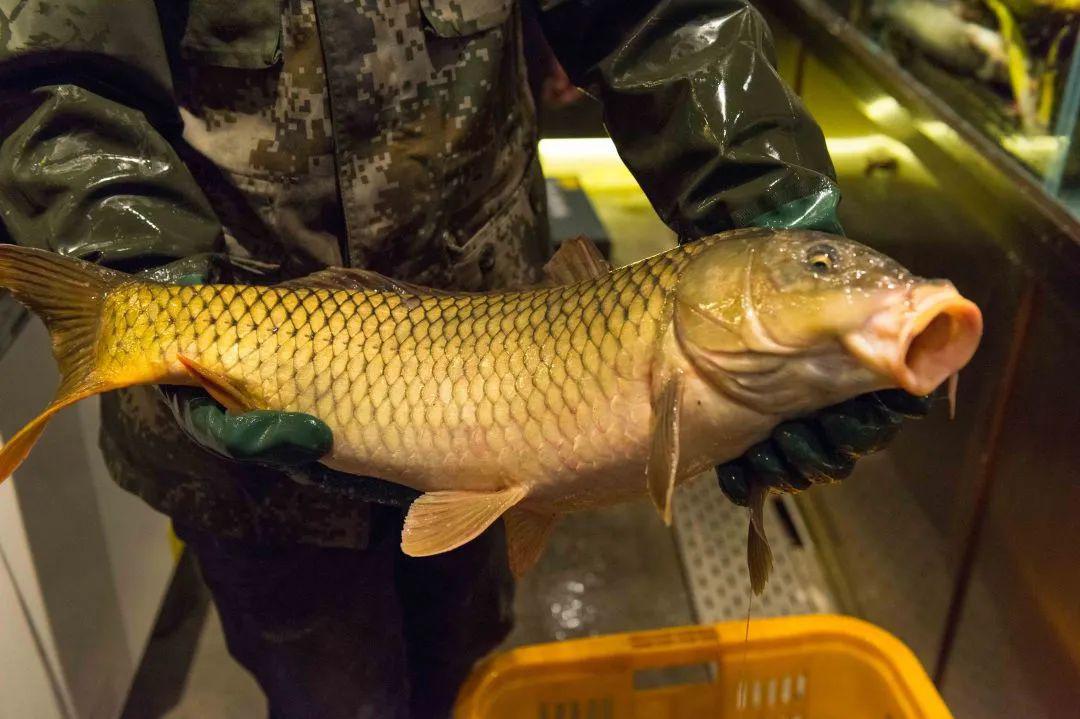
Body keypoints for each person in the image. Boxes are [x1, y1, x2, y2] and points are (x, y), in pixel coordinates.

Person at [0, 1, 929, 716]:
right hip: (240, 407)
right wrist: (146, 271)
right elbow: (58, 71)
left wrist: (754, 189)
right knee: (328, 694)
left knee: (465, 660)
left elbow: (658, 15)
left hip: (503, 337)